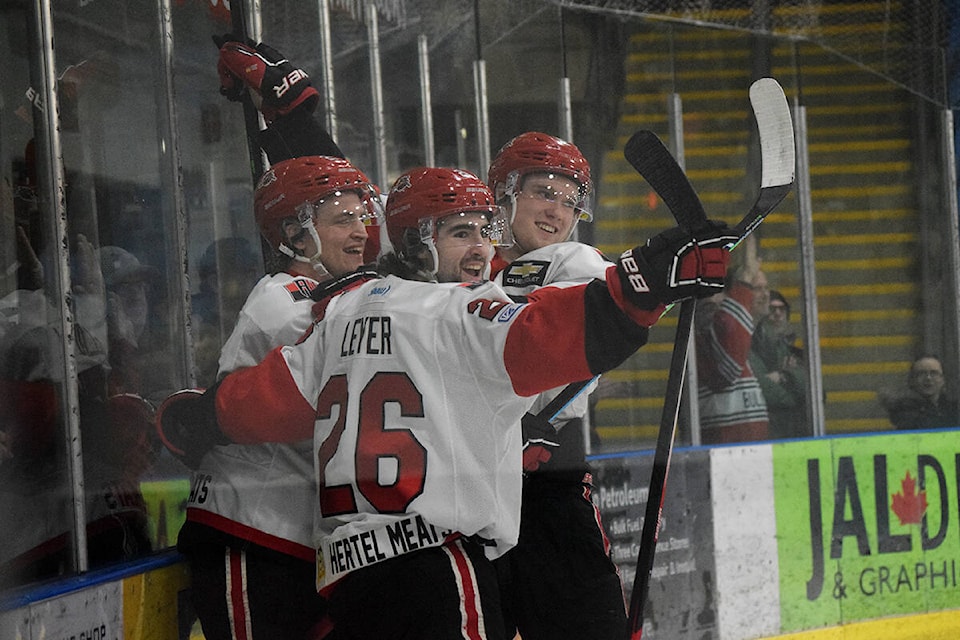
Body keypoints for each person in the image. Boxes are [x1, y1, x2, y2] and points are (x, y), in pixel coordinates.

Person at [157, 163, 735, 639]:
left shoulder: (339, 315)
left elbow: (260, 403)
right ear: (416, 243)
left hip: (348, 575)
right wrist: (645, 284)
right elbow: (547, 334)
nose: (484, 248)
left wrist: (197, 416)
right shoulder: (451, 314)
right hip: (435, 560)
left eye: (487, 231)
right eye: (463, 232)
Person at [171, 37, 376, 640]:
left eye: (361, 216)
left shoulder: (328, 291)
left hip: (295, 535)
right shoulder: (280, 300)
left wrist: (289, 115)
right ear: (294, 232)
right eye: (343, 219)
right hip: (246, 532)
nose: (363, 231)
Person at [486, 131, 626, 639]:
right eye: (544, 191)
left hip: (547, 478)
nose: (557, 211)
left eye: (570, 202)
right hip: (463, 490)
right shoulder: (458, 253)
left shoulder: (574, 262)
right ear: (503, 190)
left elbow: (605, 316)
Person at [696, 259, 770, 444]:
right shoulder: (709, 335)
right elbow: (727, 372)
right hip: (725, 452)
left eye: (765, 288)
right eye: (756, 288)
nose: (765, 294)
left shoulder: (763, 339)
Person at [749, 289, 807, 439]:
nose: (778, 314)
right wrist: (795, 394)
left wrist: (783, 376)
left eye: (782, 309)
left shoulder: (796, 354)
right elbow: (761, 391)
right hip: (768, 434)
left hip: (797, 434)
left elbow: (817, 392)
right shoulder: (749, 350)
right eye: (772, 309)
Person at [879, 355, 960, 430]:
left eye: (934, 373)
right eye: (922, 373)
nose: (928, 378)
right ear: (912, 381)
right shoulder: (904, 412)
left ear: (943, 379)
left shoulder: (953, 409)